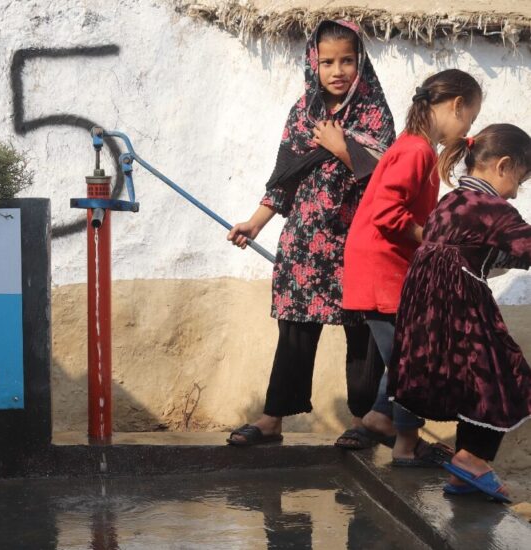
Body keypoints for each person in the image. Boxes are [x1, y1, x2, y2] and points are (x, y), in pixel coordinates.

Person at [226, 19, 395, 445]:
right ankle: (272, 419)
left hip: (356, 244)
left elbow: (389, 179)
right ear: (312, 64)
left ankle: (362, 422)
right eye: (327, 62)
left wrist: (343, 148)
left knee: (362, 336)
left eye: (347, 61)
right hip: (304, 244)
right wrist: (254, 223)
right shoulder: (302, 112)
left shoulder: (374, 111)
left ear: (361, 63)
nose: (337, 70)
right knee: (295, 332)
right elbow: (283, 180)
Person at [339, 69, 483, 465]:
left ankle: (386, 422)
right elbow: (388, 213)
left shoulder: (415, 147)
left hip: (385, 269)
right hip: (382, 271)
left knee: (407, 354)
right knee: (414, 359)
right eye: (469, 118)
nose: (468, 126)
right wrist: (431, 241)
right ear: (456, 106)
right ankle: (400, 440)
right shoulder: (416, 151)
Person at [389, 124, 531, 503]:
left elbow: (478, 248)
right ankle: (471, 459)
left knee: (475, 381)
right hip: (462, 303)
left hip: (425, 309)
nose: (516, 191)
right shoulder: (493, 208)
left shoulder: (450, 202)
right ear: (503, 166)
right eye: (519, 180)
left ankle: (465, 476)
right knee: (506, 375)